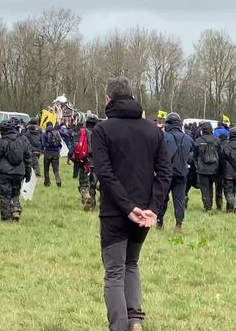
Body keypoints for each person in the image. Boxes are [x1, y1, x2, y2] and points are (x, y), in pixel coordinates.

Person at [91, 77, 172, 331]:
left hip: (116, 213)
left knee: (114, 271)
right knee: (132, 264)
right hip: (145, 213)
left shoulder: (102, 131)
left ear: (108, 99)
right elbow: (165, 171)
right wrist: (153, 208)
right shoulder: (152, 130)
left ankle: (118, 326)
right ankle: (135, 320)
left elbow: (104, 173)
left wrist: (127, 207)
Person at [158, 112, 193, 232]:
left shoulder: (163, 137)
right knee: (179, 200)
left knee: (162, 198)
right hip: (182, 174)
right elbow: (192, 157)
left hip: (165, 174)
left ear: (168, 123)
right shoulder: (188, 139)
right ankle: (179, 225)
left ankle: (159, 222)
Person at [0, 120, 32, 221]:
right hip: (19, 172)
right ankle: (15, 209)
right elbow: (27, 157)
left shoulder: (2, 142)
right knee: (15, 192)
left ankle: (6, 217)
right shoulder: (22, 140)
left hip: (5, 172)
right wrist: (28, 173)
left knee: (4, 195)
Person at [194, 122, 224, 212]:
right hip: (215, 168)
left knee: (204, 188)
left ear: (202, 130)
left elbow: (195, 155)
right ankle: (216, 205)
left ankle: (208, 206)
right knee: (211, 187)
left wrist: (197, 164)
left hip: (202, 168)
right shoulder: (217, 141)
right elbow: (221, 155)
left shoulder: (198, 141)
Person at [75, 114, 99, 211]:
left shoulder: (82, 132)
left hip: (84, 162)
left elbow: (76, 146)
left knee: (84, 184)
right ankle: (91, 206)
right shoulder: (99, 133)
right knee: (92, 184)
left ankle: (86, 197)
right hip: (97, 162)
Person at [41, 122, 63, 187]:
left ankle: (47, 183)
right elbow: (60, 144)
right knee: (56, 169)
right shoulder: (57, 133)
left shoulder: (44, 134)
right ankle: (58, 180)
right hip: (55, 152)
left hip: (47, 152)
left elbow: (43, 144)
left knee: (46, 169)